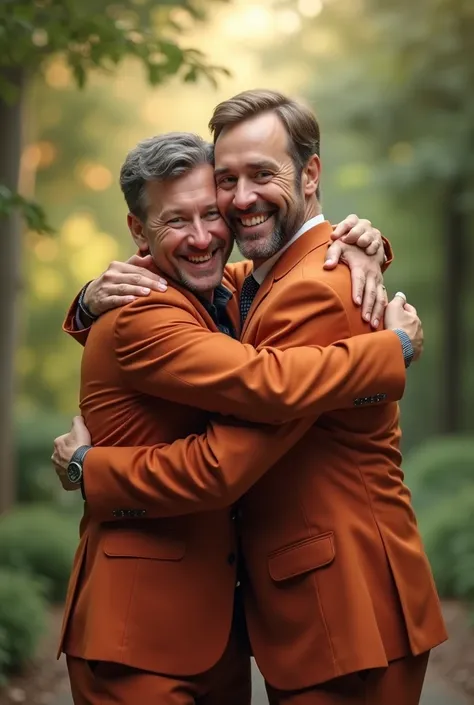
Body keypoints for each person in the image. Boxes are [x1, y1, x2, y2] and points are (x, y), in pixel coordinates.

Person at [52, 102, 438, 705]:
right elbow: (251, 354)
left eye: (259, 177)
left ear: (310, 175)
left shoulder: (301, 283)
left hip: (344, 608)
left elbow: (262, 388)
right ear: (139, 231)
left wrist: (376, 270)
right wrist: (86, 302)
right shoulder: (201, 295)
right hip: (146, 623)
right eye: (227, 181)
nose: (224, 215)